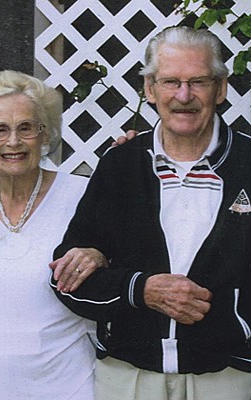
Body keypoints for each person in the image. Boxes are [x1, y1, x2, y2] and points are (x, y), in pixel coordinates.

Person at [50, 26, 251, 400]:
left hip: (229, 378)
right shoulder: (121, 164)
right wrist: (140, 289)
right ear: (150, 89)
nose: (184, 96)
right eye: (171, 81)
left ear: (221, 89)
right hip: (128, 378)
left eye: (199, 82)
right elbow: (66, 280)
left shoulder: (247, 163)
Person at [0, 69, 113, 399]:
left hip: (66, 387)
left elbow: (125, 264)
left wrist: (102, 256)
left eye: (25, 128)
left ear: (45, 135)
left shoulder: (83, 196)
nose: (13, 141)